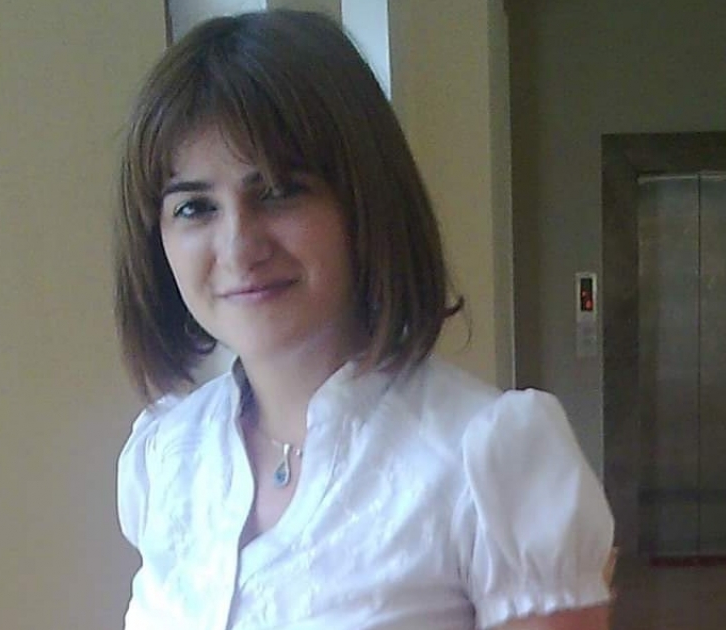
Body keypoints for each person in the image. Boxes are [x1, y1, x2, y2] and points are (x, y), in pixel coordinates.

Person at [114, 9, 614, 630]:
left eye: (279, 191)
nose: (239, 246)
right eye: (194, 207)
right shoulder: (165, 456)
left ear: (364, 199)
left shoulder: (486, 462)